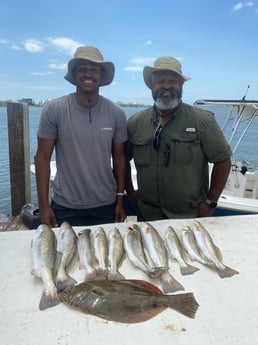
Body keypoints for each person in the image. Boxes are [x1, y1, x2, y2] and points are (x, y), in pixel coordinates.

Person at [126, 56, 232, 221]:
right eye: (161, 81)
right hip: (147, 216)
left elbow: (223, 160)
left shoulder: (202, 121)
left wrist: (211, 201)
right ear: (151, 86)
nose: (167, 86)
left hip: (189, 217)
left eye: (173, 81)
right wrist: (130, 192)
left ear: (181, 85)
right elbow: (122, 160)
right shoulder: (135, 122)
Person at [35, 46, 128, 227]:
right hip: (65, 204)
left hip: (106, 203)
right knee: (66, 255)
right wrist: (44, 206)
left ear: (101, 76)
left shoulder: (116, 112)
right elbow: (42, 158)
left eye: (93, 69)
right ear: (75, 74)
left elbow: (119, 158)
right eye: (82, 69)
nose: (88, 74)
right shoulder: (54, 109)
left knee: (105, 255)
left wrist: (119, 199)